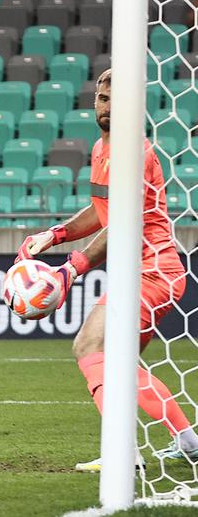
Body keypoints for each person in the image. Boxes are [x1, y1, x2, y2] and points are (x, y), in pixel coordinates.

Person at [16, 68, 196, 471]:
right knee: (118, 367)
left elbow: (124, 223)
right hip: (147, 272)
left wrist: (72, 268)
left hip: (152, 271)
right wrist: (55, 234)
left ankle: (123, 453)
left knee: (89, 347)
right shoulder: (102, 148)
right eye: (102, 98)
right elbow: (102, 211)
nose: (108, 106)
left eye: (117, 99)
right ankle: (187, 442)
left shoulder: (134, 152)